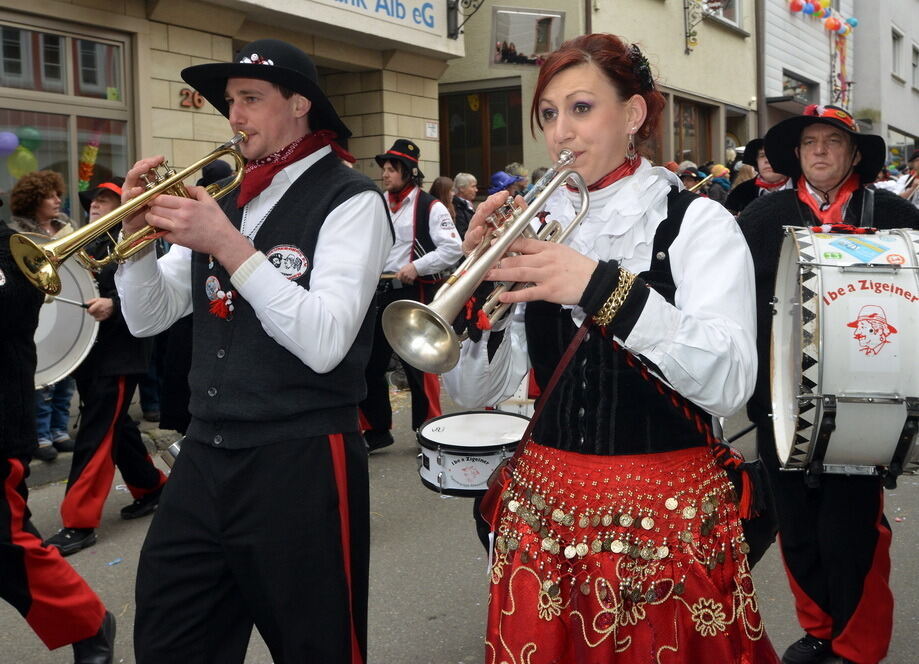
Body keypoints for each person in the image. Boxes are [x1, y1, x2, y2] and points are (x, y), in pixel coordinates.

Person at [444, 33, 778, 663]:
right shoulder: (538, 224)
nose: (561, 133)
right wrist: (478, 284)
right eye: (549, 113)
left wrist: (601, 288)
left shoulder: (697, 223)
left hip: (665, 518)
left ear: (632, 115)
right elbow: (475, 391)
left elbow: (731, 381)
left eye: (581, 108)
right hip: (544, 513)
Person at [114, 39, 392, 663]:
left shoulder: (352, 198)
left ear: (299, 104)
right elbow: (148, 317)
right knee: (170, 638)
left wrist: (229, 245)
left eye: (250, 99)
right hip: (205, 451)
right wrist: (135, 244)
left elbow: (325, 342)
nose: (234, 116)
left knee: (316, 646)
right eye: (229, 101)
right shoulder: (224, 197)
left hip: (301, 455)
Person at [738, 104, 919, 664]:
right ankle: (819, 629)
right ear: (796, 154)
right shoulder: (761, 217)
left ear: (854, 154)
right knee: (796, 527)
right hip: (778, 400)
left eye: (832, 142)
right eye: (810, 142)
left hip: (864, 402)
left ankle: (858, 643)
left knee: (852, 529)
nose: (819, 151)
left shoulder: (893, 215)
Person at [0, 223, 117, 663]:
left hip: (2, 422)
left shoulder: (13, 251)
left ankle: (88, 622)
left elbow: (14, 309)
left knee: (7, 544)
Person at [43, 179, 168, 556]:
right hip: (92, 352)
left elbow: (150, 289)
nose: (95, 205)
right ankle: (151, 486)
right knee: (116, 425)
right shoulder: (86, 240)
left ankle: (79, 522)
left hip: (120, 353)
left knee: (96, 432)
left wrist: (113, 304)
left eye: (105, 199)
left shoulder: (134, 237)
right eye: (93, 200)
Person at [360, 139, 460, 452]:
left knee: (419, 364)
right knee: (370, 363)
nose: (385, 174)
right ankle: (376, 429)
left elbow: (453, 248)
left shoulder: (431, 206)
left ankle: (428, 428)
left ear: (408, 171)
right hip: (379, 291)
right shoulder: (377, 203)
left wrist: (417, 266)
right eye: (384, 169)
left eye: (392, 169)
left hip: (413, 291)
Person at [7, 170, 77, 461]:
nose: (57, 200)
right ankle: (41, 434)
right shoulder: (16, 233)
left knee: (66, 373)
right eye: (50, 196)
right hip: (38, 311)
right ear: (34, 199)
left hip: (69, 307)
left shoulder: (67, 228)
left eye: (58, 194)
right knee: (42, 375)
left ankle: (59, 429)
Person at [725, 138, 792, 214]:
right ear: (756, 162)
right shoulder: (740, 193)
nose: (767, 160)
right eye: (762, 155)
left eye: (774, 155)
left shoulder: (800, 188)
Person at [452, 172, 477, 238]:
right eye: (473, 186)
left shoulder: (466, 204)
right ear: (461, 188)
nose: (476, 190)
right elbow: (462, 233)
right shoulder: (456, 207)